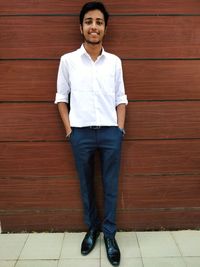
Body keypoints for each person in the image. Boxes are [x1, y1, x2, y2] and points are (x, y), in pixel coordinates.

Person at [55, 2, 128, 266]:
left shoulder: (115, 62)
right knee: (86, 186)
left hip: (110, 133)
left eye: (98, 22)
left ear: (105, 28)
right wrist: (69, 130)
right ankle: (92, 229)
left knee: (110, 187)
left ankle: (109, 234)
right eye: (89, 21)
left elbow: (121, 97)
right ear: (81, 27)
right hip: (81, 134)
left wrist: (119, 129)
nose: (93, 26)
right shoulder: (68, 61)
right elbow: (61, 98)